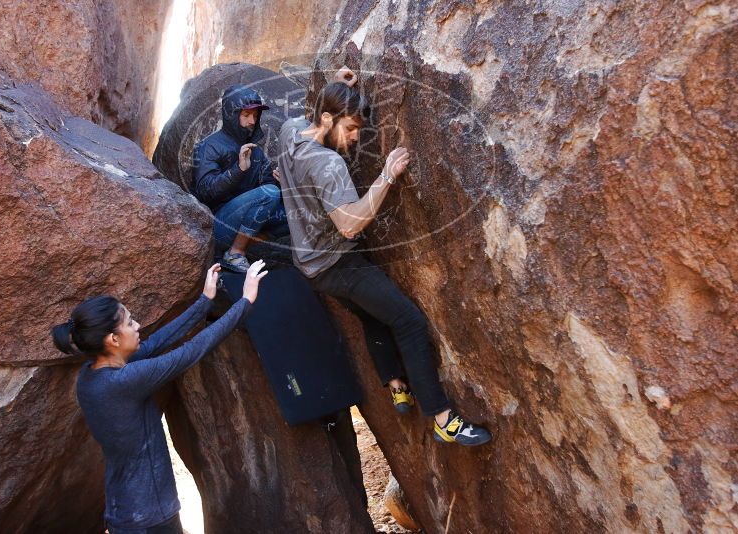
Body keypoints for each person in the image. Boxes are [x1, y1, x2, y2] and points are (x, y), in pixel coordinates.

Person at [276, 73, 492, 447]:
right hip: (337, 264)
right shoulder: (328, 165)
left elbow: (312, 112)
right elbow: (348, 224)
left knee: (372, 311)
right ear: (327, 120)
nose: (356, 137)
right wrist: (387, 175)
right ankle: (442, 418)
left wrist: (334, 83)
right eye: (350, 128)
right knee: (407, 320)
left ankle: (395, 383)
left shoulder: (291, 130)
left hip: (310, 262)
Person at [51, 260, 268, 533]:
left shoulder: (91, 376)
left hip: (125, 509)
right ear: (113, 340)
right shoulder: (124, 381)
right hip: (150, 517)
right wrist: (245, 302)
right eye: (130, 322)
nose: (138, 325)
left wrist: (205, 301)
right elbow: (190, 352)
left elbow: (155, 344)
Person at [191, 85, 288, 273]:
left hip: (242, 223)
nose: (252, 120)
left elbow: (267, 189)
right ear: (231, 115)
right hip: (215, 228)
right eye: (246, 115)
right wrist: (238, 170)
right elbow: (204, 192)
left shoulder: (255, 150)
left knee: (292, 213)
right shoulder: (209, 146)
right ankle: (234, 254)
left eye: (255, 115)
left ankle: (244, 248)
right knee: (270, 193)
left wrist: (280, 183)